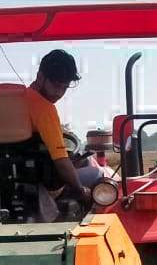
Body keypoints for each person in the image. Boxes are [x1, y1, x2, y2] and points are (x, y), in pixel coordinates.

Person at [25, 50, 103, 219]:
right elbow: (60, 161)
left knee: (85, 162)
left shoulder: (19, 99)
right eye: (55, 85)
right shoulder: (44, 108)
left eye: (64, 88)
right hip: (42, 185)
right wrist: (81, 191)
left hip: (18, 174)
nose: (59, 93)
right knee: (98, 174)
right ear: (40, 77)